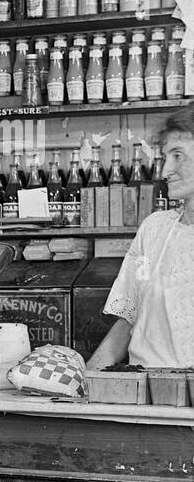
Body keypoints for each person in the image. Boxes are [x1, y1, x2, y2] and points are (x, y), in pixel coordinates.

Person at [87, 106, 194, 370]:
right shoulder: (153, 230)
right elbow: (131, 319)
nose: (165, 171)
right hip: (147, 393)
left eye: (178, 156)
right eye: (165, 157)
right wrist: (86, 380)